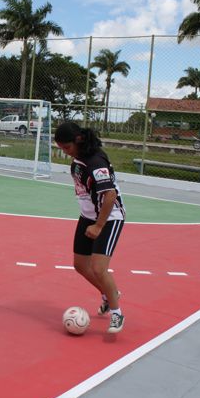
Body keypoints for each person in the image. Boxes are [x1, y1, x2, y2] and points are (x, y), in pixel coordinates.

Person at [55, 122, 126, 334]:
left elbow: (110, 195)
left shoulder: (96, 161)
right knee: (80, 265)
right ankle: (109, 294)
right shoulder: (79, 157)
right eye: (61, 148)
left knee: (98, 268)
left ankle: (117, 313)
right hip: (88, 216)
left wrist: (99, 225)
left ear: (78, 140)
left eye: (67, 147)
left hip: (109, 217)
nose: (65, 152)